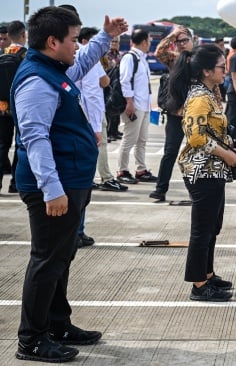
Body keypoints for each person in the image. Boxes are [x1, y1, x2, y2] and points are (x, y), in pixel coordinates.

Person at [11, 7, 127, 362]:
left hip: (70, 180)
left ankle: (58, 324)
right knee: (46, 260)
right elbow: (35, 138)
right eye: (74, 40)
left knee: (61, 257)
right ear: (52, 41)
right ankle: (31, 339)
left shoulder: (54, 70)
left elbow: (85, 63)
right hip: (54, 187)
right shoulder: (36, 80)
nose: (79, 46)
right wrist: (52, 189)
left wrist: (107, 38)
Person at [170, 44, 236, 300]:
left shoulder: (209, 93)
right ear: (205, 70)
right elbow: (195, 136)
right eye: (220, 67)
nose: (225, 71)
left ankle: (208, 274)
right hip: (202, 171)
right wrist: (226, 154)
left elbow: (215, 130)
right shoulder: (200, 97)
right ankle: (198, 284)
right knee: (202, 229)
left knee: (212, 226)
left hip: (213, 170)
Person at [149, 27, 195, 202]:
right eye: (179, 42)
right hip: (176, 114)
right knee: (170, 153)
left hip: (195, 114)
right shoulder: (174, 59)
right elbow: (159, 51)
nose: (181, 44)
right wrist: (173, 35)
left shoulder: (199, 60)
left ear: (192, 40)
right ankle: (160, 190)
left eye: (184, 40)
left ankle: (195, 192)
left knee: (194, 154)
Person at [115, 29, 158, 184]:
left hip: (144, 105)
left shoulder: (142, 58)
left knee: (142, 140)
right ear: (144, 41)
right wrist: (129, 102)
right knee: (129, 139)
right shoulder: (130, 58)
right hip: (134, 105)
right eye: (150, 41)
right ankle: (122, 170)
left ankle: (141, 169)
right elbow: (124, 81)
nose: (150, 44)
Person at [0, 20, 27, 194]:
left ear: (8, 36)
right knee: (20, 144)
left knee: (2, 144)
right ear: (24, 35)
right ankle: (15, 183)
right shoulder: (26, 55)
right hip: (21, 106)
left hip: (2, 106)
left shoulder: (2, 54)